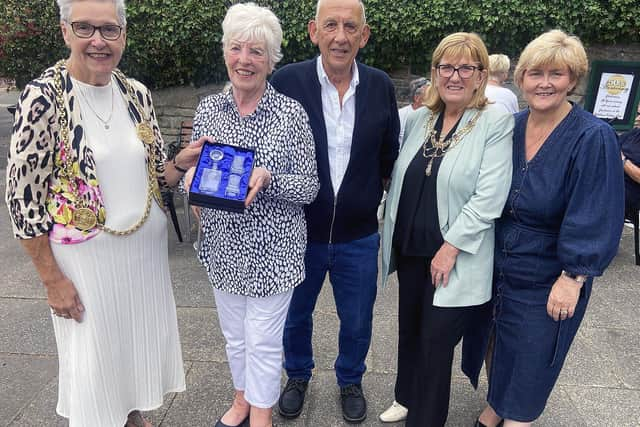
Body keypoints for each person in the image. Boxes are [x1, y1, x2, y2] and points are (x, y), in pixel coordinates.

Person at [4, 0, 204, 426]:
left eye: (109, 29)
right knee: (93, 368)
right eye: (86, 28)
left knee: (128, 355)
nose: (98, 40)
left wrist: (181, 162)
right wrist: (51, 279)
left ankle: (131, 416)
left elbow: (156, 178)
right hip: (85, 264)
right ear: (64, 32)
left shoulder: (136, 94)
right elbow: (22, 200)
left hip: (143, 258)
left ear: (124, 36)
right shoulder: (44, 98)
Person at [475, 30, 624, 427]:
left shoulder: (593, 137)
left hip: (549, 271)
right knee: (496, 344)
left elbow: (596, 212)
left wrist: (573, 277)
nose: (544, 83)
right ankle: (496, 406)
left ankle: (516, 417)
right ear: (520, 79)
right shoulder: (511, 125)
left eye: (556, 74)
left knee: (533, 355)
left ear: (572, 80)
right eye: (535, 73)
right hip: (500, 263)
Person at [183, 4, 319, 427]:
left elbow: (310, 187)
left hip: (273, 251)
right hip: (223, 248)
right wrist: (191, 179)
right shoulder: (208, 109)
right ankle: (241, 398)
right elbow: (197, 171)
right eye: (237, 48)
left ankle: (261, 415)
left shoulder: (290, 115)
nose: (245, 59)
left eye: (257, 51)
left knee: (262, 341)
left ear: (271, 59)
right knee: (235, 337)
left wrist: (270, 177)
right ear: (226, 52)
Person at [270, 0, 400, 423]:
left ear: (364, 35)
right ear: (313, 31)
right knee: (295, 314)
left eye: (350, 27)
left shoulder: (380, 86)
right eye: (331, 25)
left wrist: (364, 198)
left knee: (358, 319)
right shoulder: (287, 81)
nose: (340, 36)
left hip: (359, 234)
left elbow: (388, 155)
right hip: (298, 231)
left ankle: (350, 379)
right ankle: (298, 375)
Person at [379, 33, 514, 426]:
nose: (453, 76)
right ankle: (405, 397)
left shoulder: (494, 121)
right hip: (410, 249)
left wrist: (451, 246)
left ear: (480, 75)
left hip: (451, 257)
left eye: (464, 68)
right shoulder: (421, 117)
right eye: (445, 67)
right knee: (410, 331)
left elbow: (490, 196)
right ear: (435, 72)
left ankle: (425, 418)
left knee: (436, 344)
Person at [398, 77, 430, 146]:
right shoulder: (400, 115)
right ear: (417, 98)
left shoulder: (434, 116)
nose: (433, 98)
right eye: (429, 95)